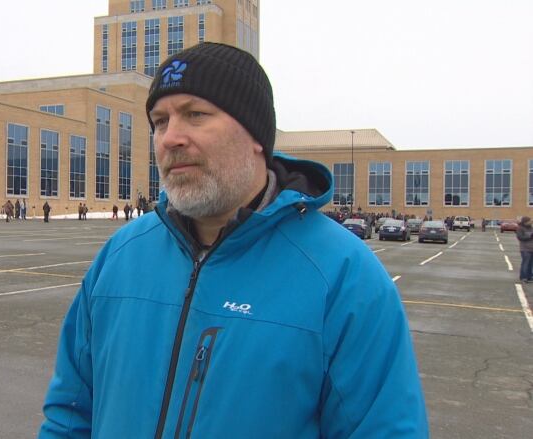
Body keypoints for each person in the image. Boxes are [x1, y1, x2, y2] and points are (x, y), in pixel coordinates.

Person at [38, 42, 428, 438]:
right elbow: (69, 416)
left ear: (255, 135)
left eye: (195, 115)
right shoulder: (119, 258)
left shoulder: (346, 279)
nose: (170, 137)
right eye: (159, 121)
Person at [516, 216, 533, 282]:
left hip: (532, 248)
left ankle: (529, 276)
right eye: (529, 221)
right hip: (525, 249)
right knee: (525, 262)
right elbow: (520, 237)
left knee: (531, 264)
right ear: (525, 222)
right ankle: (523, 277)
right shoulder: (520, 228)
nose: (531, 222)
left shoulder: (531, 228)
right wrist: (530, 236)